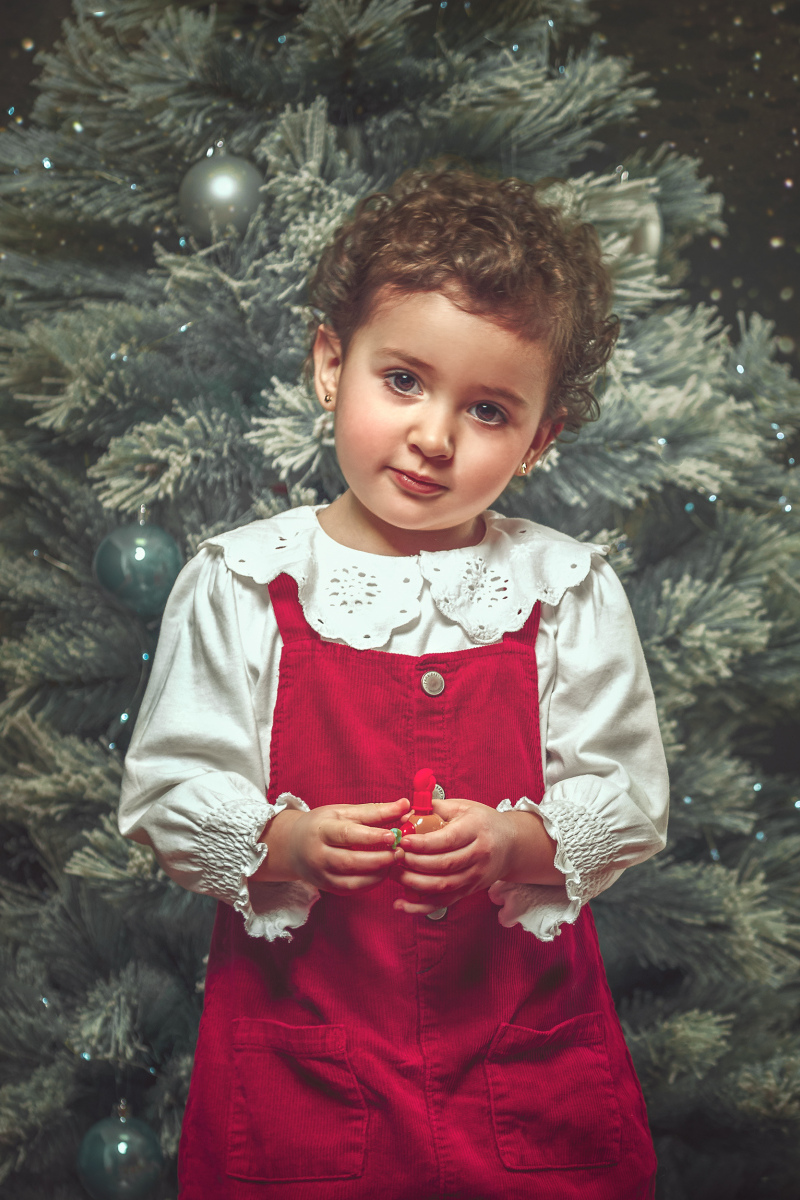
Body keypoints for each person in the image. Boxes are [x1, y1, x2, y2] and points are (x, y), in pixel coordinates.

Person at [119, 168, 669, 1200]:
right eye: (403, 381)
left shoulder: (564, 590)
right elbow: (168, 791)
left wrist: (519, 840)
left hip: (517, 1058)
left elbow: (626, 797)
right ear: (332, 365)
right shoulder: (242, 580)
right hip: (303, 1064)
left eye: (490, 410)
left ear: (540, 437)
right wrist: (285, 842)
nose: (433, 437)